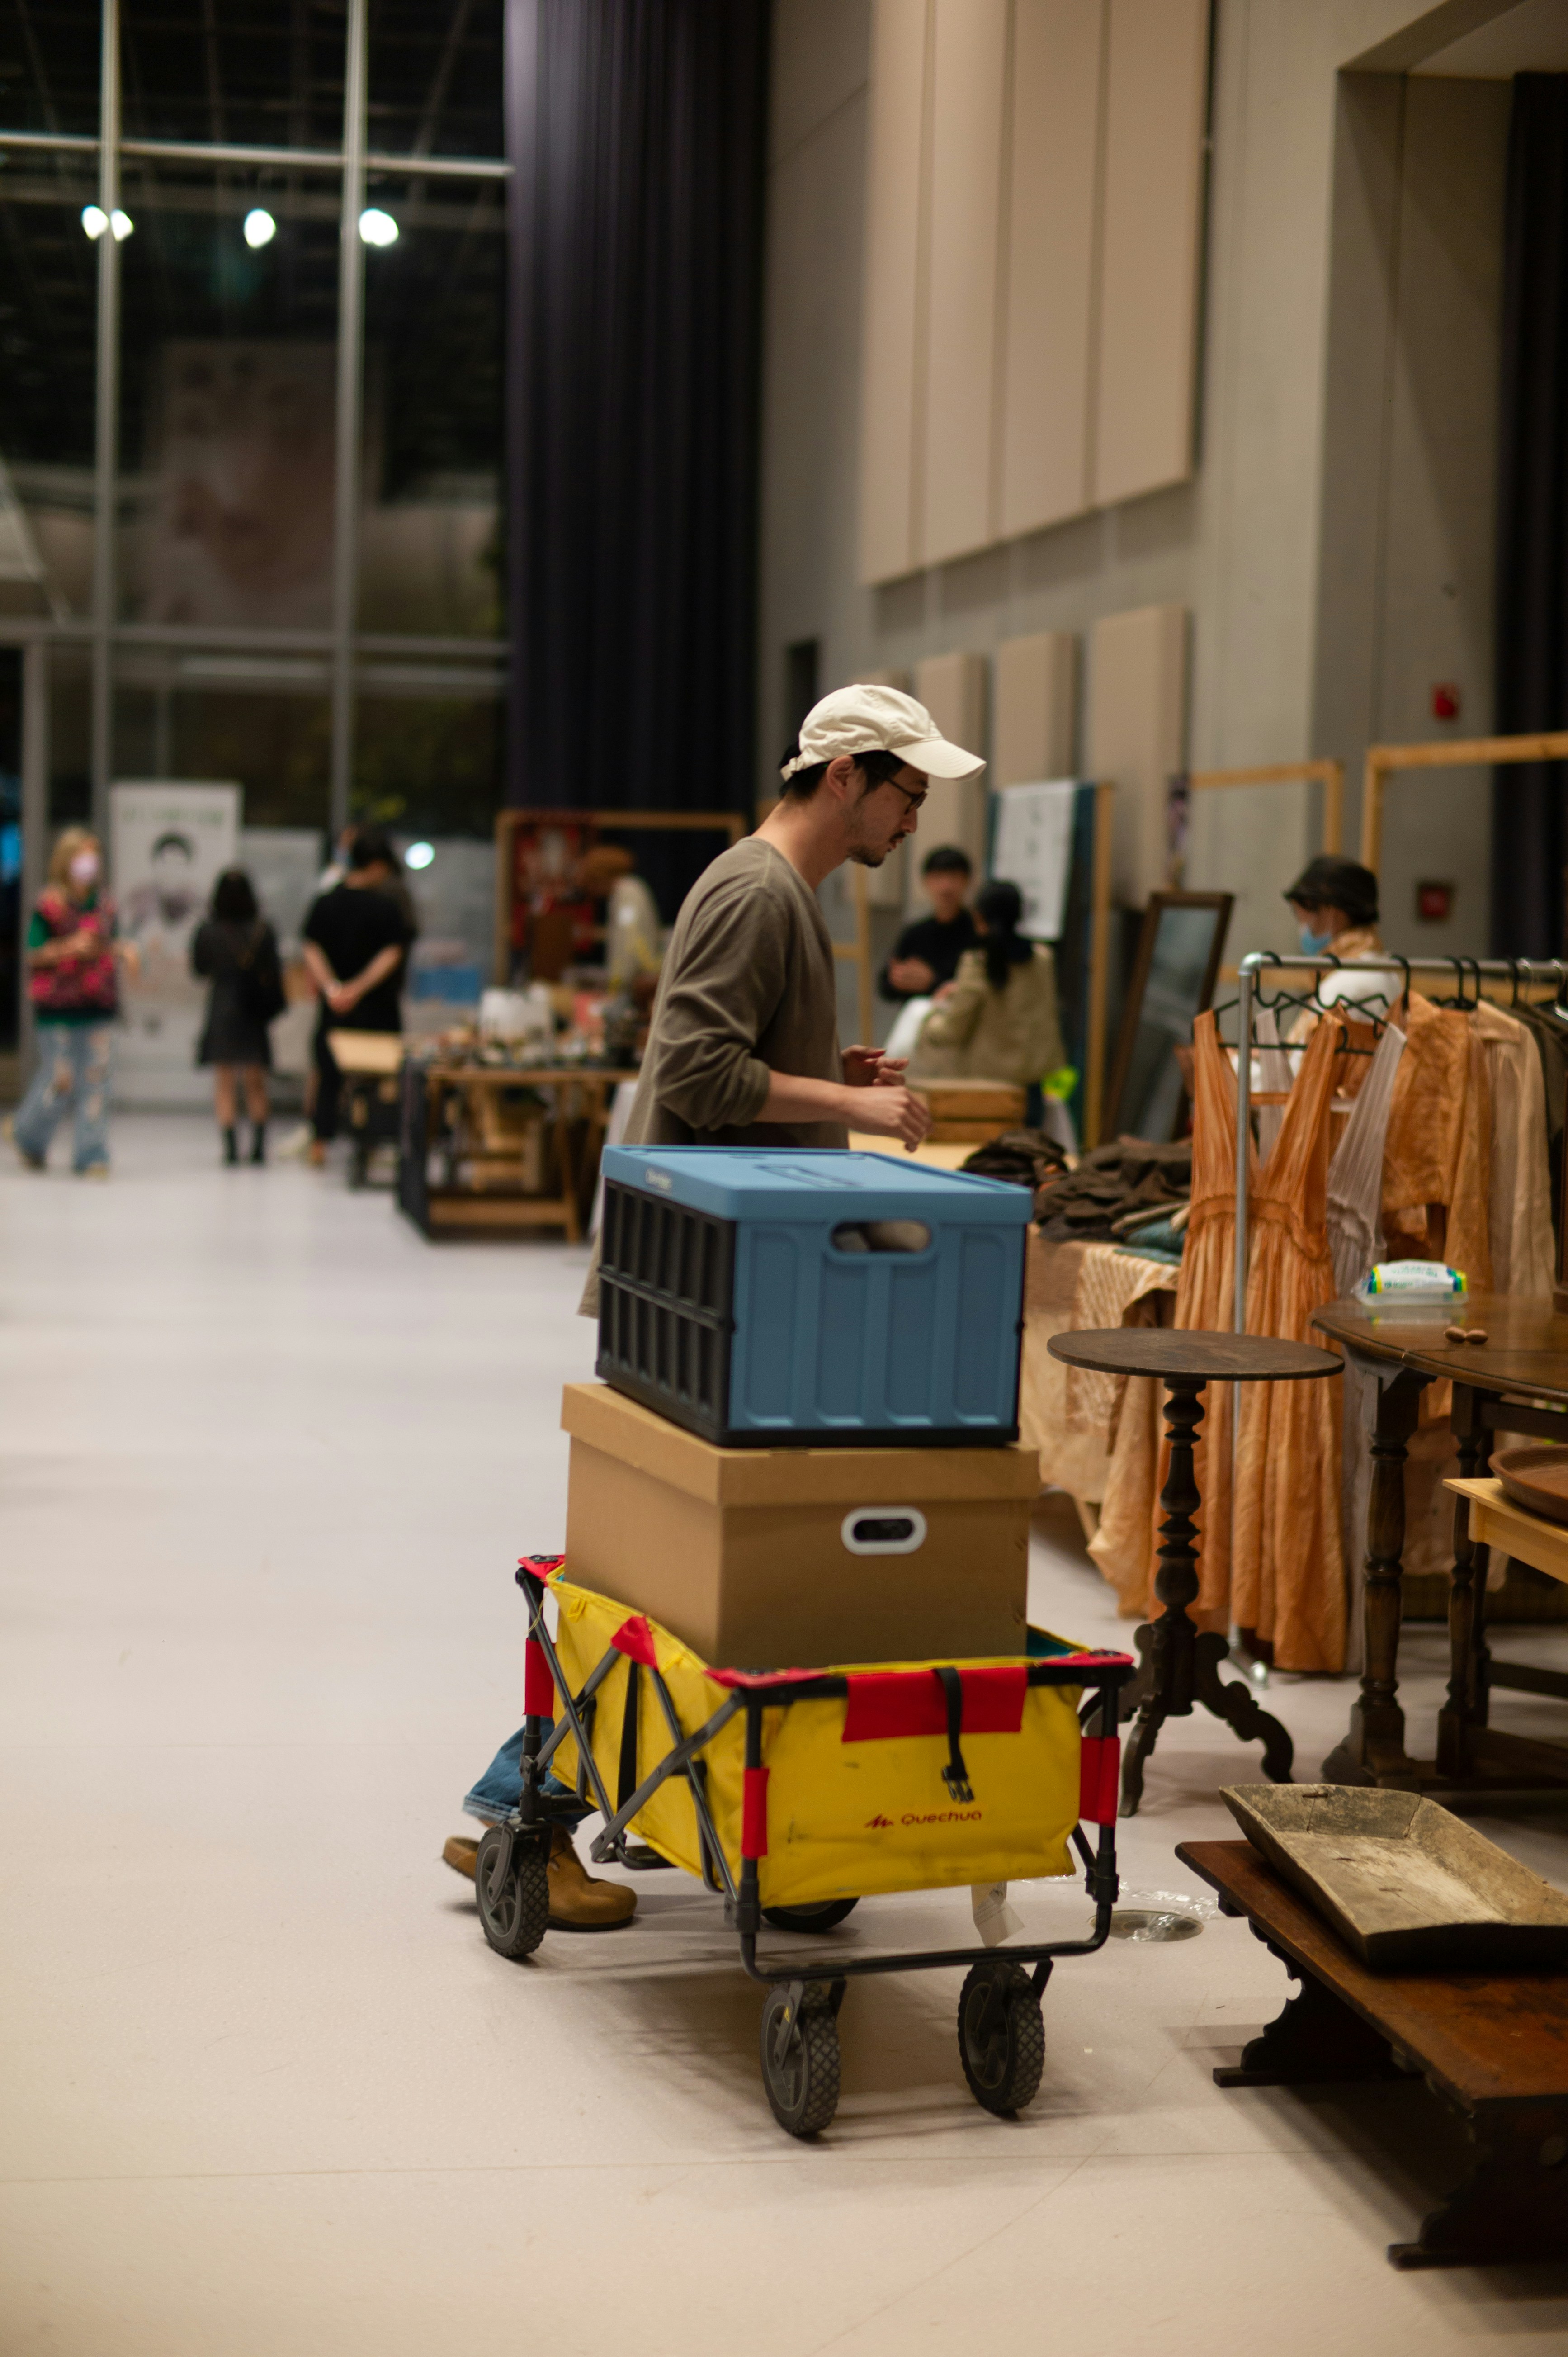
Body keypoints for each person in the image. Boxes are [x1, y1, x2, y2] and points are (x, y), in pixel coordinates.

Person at [443, 682, 982, 1922]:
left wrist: (816, 1076)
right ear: (843, 775)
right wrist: (852, 1108)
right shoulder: (756, 891)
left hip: (715, 1279)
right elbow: (691, 1067)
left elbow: (719, 1057)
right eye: (906, 792)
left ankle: (557, 1803)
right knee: (656, 1569)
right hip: (700, 1286)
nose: (912, 819)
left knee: (682, 1565)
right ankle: (520, 1813)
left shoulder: (773, 891)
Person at [9, 827, 136, 1178]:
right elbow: (34, 953)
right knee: (60, 1080)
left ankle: (91, 1154)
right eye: (82, 856)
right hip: (58, 1008)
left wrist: (124, 951)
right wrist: (70, 947)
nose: (89, 864)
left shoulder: (105, 903)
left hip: (99, 1004)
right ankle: (29, 1136)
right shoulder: (49, 904)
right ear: (66, 860)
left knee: (96, 1081)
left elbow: (110, 942)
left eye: (93, 857)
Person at [300, 829, 414, 1168]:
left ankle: (320, 1142)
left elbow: (311, 947)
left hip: (336, 1006)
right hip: (375, 1006)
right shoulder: (386, 907)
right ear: (377, 866)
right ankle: (375, 1142)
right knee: (377, 1077)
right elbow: (392, 954)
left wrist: (334, 988)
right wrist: (358, 988)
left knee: (328, 1074)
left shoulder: (326, 902)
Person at [910, 878, 1064, 1116]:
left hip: (986, 1087)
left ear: (979, 918)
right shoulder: (1043, 959)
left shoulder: (977, 964)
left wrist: (930, 1018)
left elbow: (953, 1029)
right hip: (1033, 1084)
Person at [191, 868, 283, 1165]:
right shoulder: (263, 930)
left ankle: (230, 1146)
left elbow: (200, 969)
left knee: (225, 1081)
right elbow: (274, 970)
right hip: (253, 1008)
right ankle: (258, 1145)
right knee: (256, 1080)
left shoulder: (208, 931)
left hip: (223, 1005)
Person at [879, 844, 978, 1002]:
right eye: (938, 878)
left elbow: (980, 989)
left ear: (967, 881)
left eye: (953, 877)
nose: (946, 887)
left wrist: (932, 982)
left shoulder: (978, 932)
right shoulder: (916, 933)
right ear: (926, 882)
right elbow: (885, 987)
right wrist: (900, 978)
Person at [1283, 856, 1381, 959]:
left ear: (1333, 913)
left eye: (1308, 923)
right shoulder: (1370, 959)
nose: (1305, 932)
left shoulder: (1350, 971)